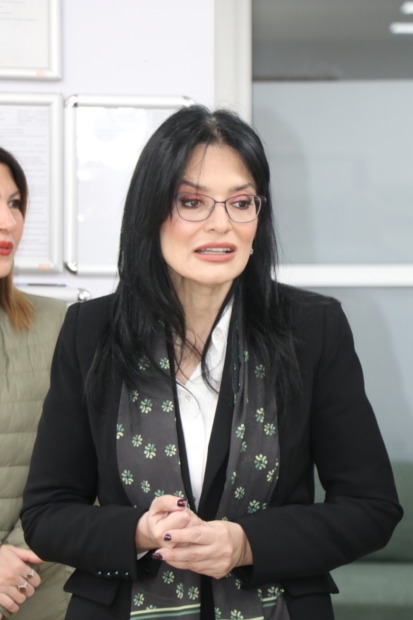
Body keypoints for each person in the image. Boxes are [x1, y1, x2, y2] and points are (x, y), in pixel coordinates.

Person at [21, 106, 402, 620]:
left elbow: (371, 508)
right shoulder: (92, 331)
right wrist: (140, 532)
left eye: (241, 202)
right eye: (192, 202)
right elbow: (47, 514)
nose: (221, 224)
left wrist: (246, 544)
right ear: (150, 212)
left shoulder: (313, 328)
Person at [0, 147, 71, 619]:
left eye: (14, 203)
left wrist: (16, 559)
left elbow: (86, 467)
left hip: (43, 591)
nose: (8, 222)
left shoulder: (59, 325)